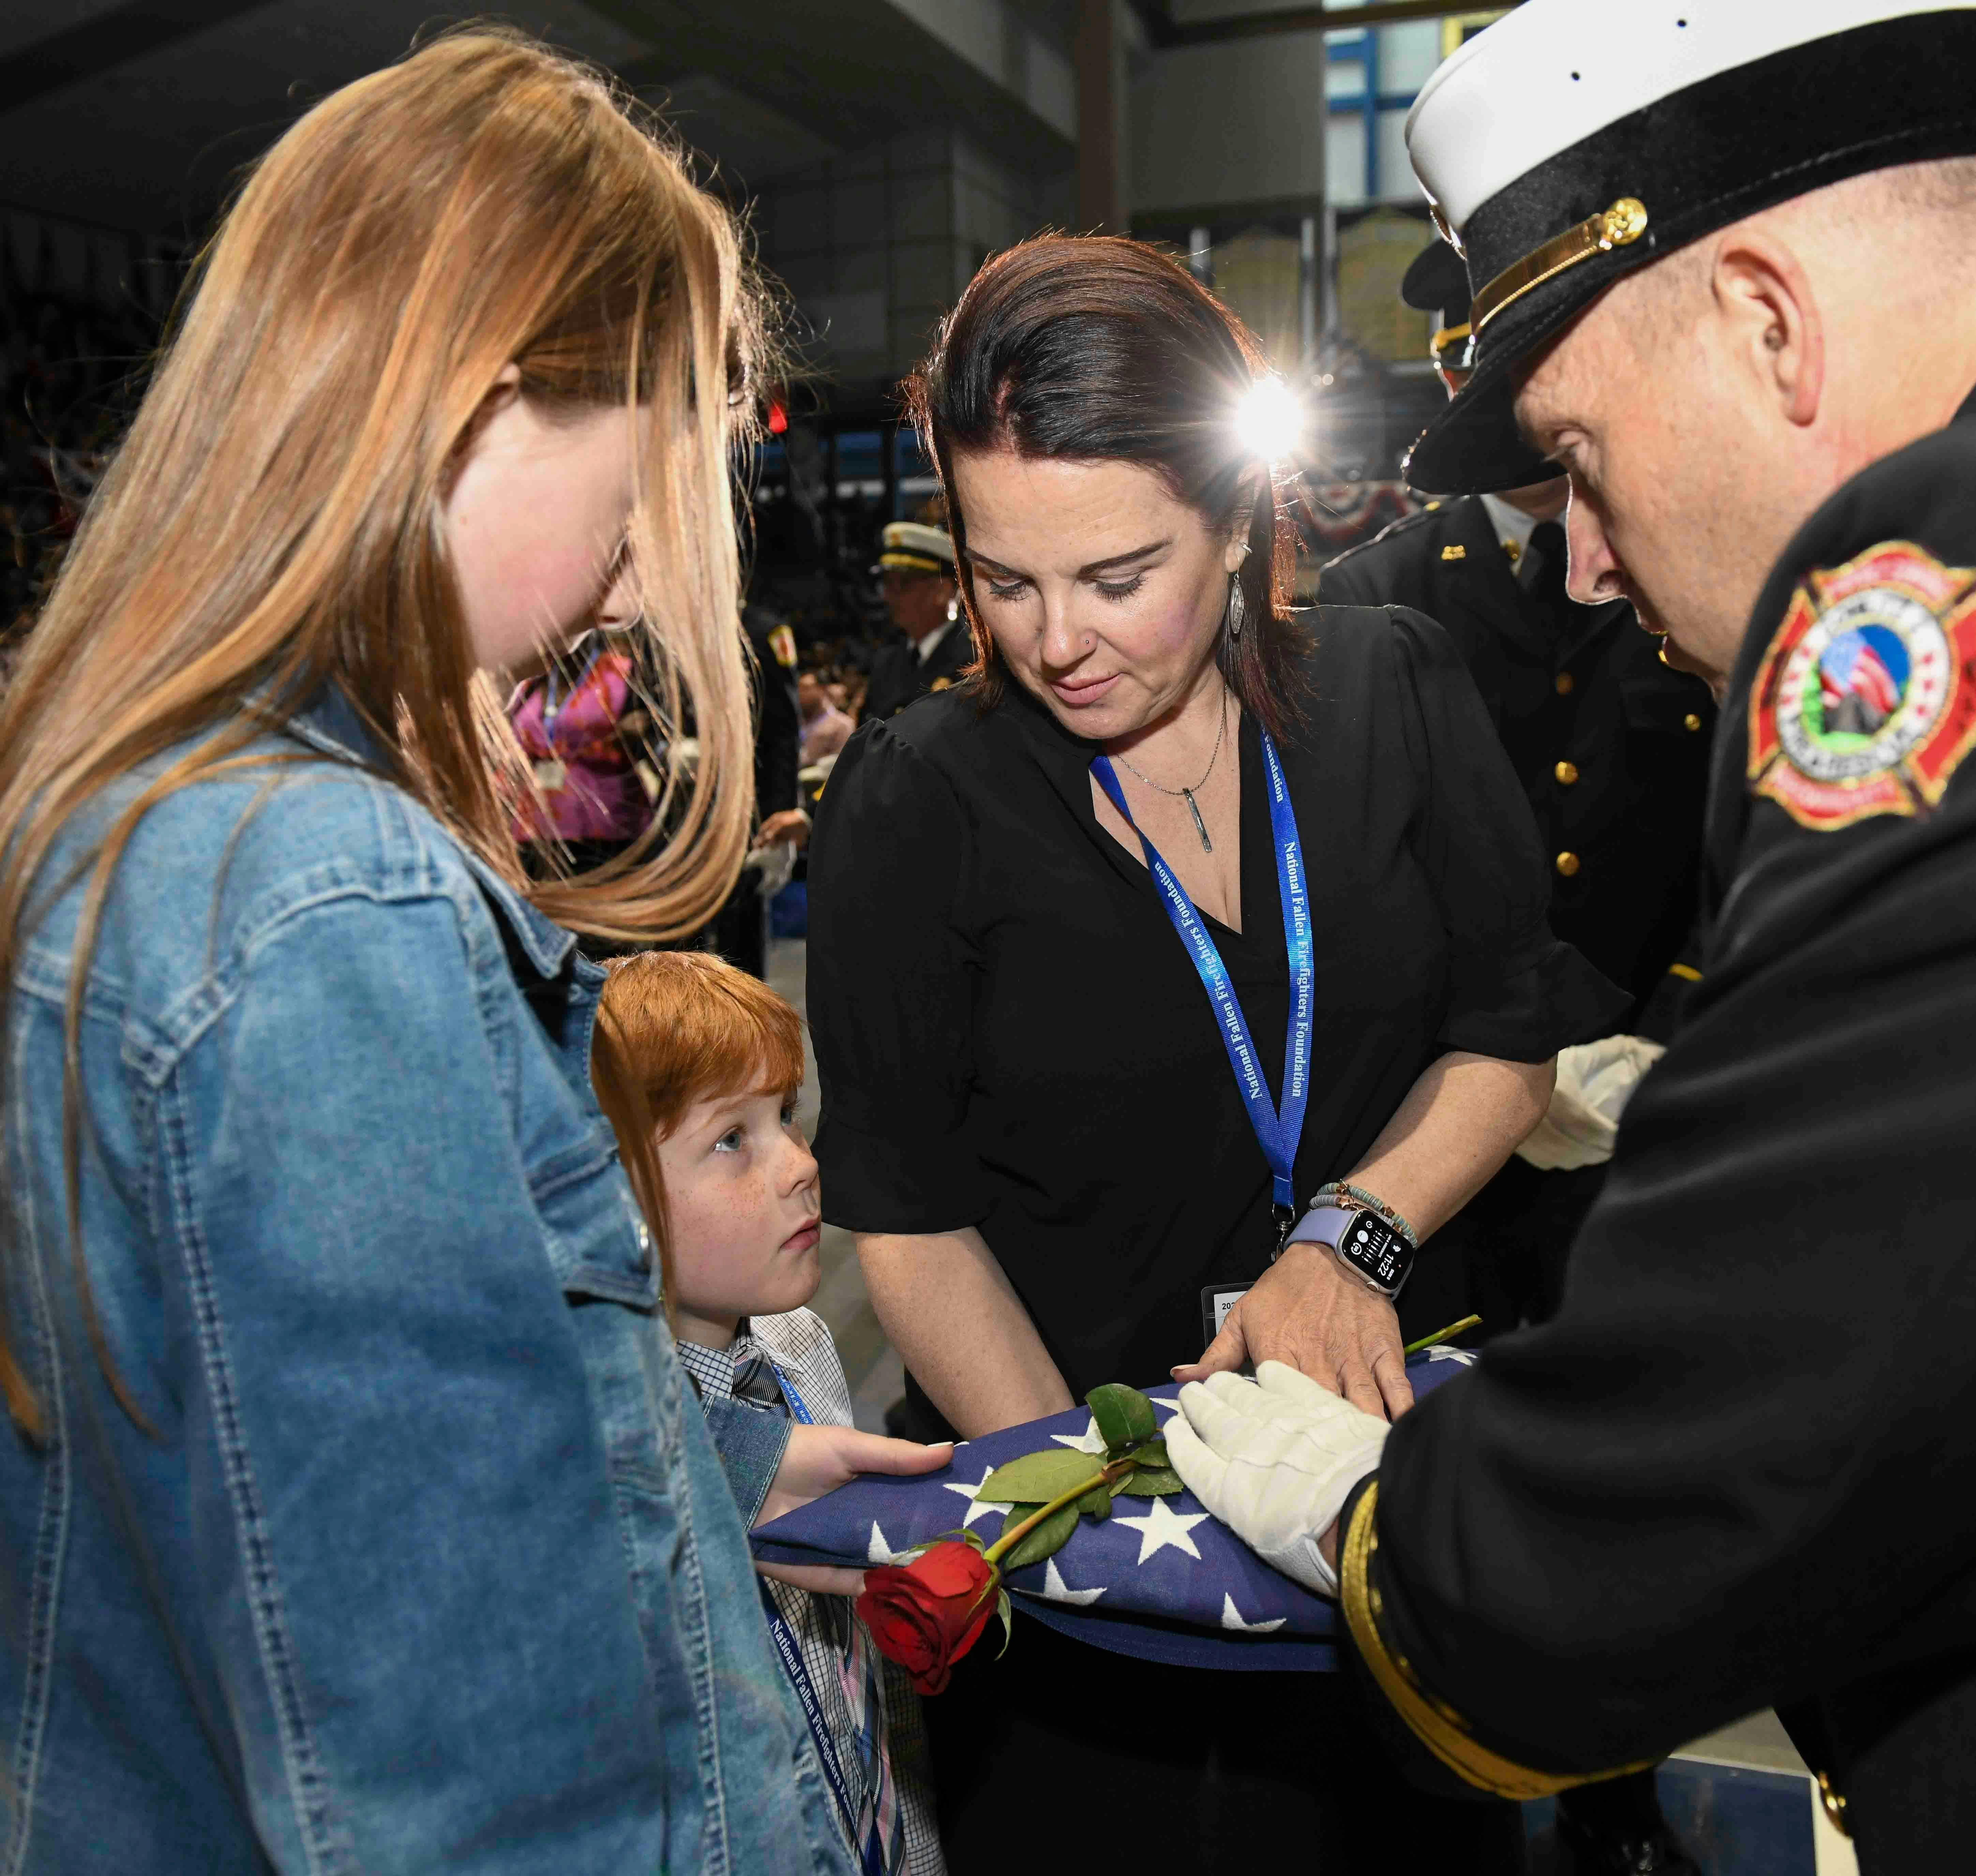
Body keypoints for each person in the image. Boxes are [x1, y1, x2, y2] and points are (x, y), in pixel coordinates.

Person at [0, 32, 944, 1872]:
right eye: (634, 472)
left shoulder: (126, 826)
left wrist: (715, 1469)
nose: (617, 576)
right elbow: (495, 1776)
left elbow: (276, 1476)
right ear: (481, 404)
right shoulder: (327, 905)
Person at [1164, 5, 1976, 1871]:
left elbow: (1727, 1445)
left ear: (1772, 324)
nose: (1585, 560)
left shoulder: (1922, 595)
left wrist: (1392, 1527)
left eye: (1584, 455)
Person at [806, 234, 1623, 1871]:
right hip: (1083, 1564)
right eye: (1002, 575)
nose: (1055, 640)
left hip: (1386, 1500)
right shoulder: (917, 798)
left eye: (1118, 576)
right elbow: (905, 1211)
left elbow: (1503, 1043)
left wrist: (1352, 1236)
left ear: (1239, 518)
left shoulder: (1397, 688)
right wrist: (1102, 1520)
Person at [1321, 235, 1715, 1876]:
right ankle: (1446, 1796)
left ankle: (1619, 1803)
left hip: (1654, 1119)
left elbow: (1736, 845)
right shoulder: (1381, 598)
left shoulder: (1685, 543)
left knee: (1655, 1495)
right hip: (1461, 1146)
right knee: (1451, 1481)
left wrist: (1675, 1045)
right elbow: (1348, 893)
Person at [596, 952, 945, 1876]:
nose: (800, 1163)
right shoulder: (607, 1463)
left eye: (785, 1115)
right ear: (606, 1193)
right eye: (730, 1140)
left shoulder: (797, 1342)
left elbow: (861, 1668)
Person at [858, 516, 969, 723]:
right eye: (887, 584)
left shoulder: (972, 663)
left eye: (903, 585)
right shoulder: (887, 659)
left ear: (941, 591)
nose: (889, 596)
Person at [800, 667, 855, 765]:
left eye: (806, 689)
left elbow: (844, 761)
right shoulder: (797, 722)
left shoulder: (843, 724)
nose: (801, 694)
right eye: (799, 689)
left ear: (822, 690)